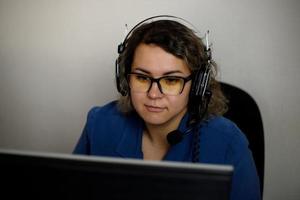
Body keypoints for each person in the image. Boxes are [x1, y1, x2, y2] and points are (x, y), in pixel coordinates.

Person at [73, 16, 261, 200]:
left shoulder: (228, 142)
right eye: (142, 77)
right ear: (125, 80)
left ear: (197, 86)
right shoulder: (99, 124)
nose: (154, 94)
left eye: (171, 80)